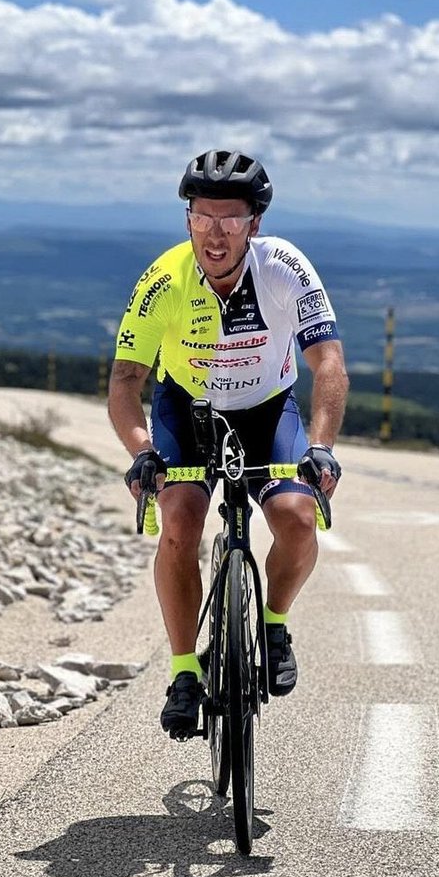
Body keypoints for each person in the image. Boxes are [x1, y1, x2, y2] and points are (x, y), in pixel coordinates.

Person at [108, 149, 349, 739]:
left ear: (255, 225)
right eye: (203, 216)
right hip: (187, 411)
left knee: (295, 517)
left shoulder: (287, 269)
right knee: (182, 522)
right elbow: (125, 382)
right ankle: (185, 672)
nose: (215, 233)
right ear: (187, 217)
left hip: (267, 410)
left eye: (231, 219)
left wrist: (321, 445)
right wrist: (142, 450)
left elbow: (329, 363)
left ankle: (274, 622)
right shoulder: (163, 279)